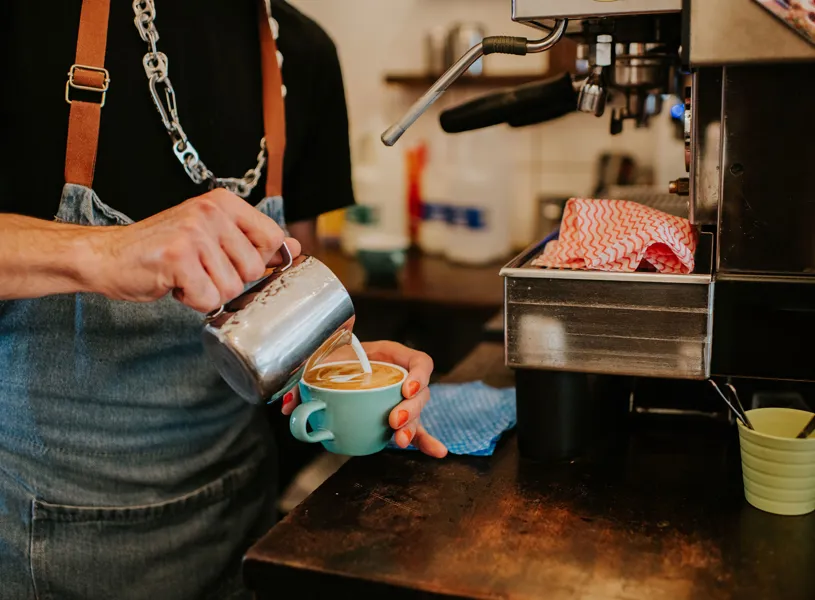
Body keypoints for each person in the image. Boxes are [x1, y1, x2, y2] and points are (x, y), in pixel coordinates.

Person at [0, 2, 447, 599]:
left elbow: (285, 280)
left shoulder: (304, 50)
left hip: (241, 520)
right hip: (47, 535)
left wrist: (328, 362)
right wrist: (106, 252)